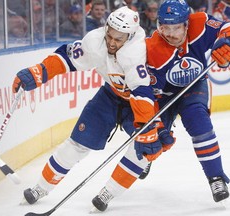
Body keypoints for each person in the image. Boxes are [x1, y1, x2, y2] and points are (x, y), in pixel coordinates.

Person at [91, 0, 230, 212]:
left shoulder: (200, 23)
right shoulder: (151, 49)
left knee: (199, 124)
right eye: (166, 28)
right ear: (159, 26)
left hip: (194, 86)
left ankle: (216, 178)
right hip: (161, 96)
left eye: (176, 28)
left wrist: (228, 42)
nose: (171, 34)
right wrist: (153, 126)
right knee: (147, 142)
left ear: (186, 23)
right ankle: (109, 190)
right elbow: (144, 93)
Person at [13, 6, 174, 205]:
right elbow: (67, 58)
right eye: (110, 36)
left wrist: (149, 128)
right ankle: (41, 188)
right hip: (110, 95)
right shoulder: (95, 41)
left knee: (143, 149)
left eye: (118, 39)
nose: (112, 43)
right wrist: (39, 71)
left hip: (138, 101)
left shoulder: (136, 52)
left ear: (130, 37)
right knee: (77, 143)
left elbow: (141, 92)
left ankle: (109, 192)